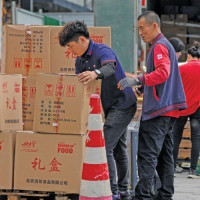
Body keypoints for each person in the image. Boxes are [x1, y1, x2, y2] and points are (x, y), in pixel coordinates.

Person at [59, 21, 137, 200]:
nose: (71, 51)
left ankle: (113, 191)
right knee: (118, 148)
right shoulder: (79, 60)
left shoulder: (102, 50)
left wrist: (96, 73)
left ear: (81, 39)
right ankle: (123, 190)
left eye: (71, 46)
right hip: (107, 108)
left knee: (105, 146)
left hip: (123, 104)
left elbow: (110, 67)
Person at [118, 11, 187, 200]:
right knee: (165, 155)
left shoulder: (158, 47)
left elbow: (163, 73)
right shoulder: (164, 46)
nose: (140, 32)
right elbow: (161, 78)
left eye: (142, 28)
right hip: (168, 110)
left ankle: (143, 195)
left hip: (158, 110)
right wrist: (144, 87)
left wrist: (137, 80)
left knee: (147, 154)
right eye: (138, 28)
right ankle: (165, 194)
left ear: (154, 26)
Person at [173, 42, 200, 179]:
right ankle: (193, 171)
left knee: (176, 137)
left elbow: (174, 86)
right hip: (198, 108)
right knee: (196, 138)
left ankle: (171, 168)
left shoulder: (181, 68)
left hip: (182, 106)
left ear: (188, 56)